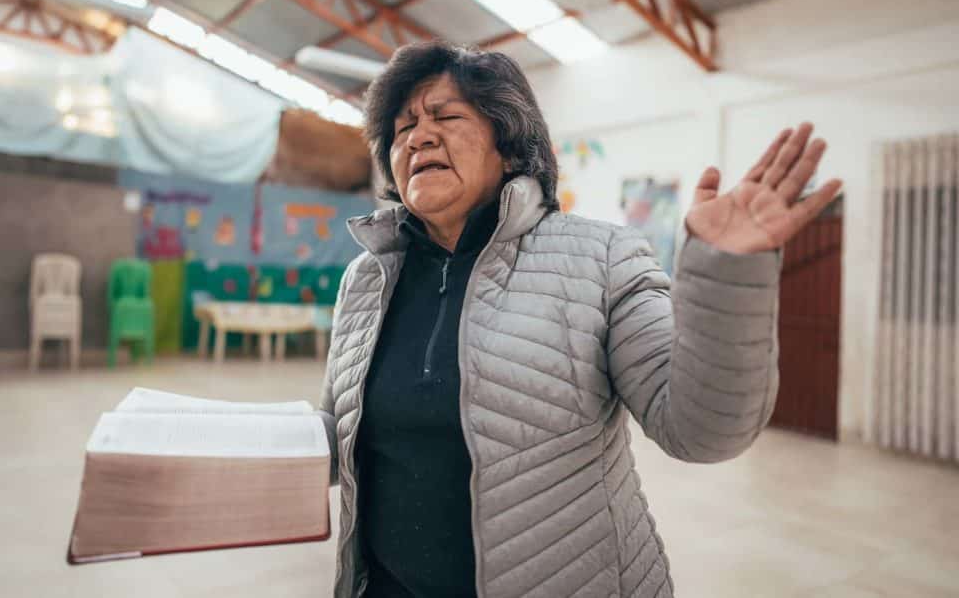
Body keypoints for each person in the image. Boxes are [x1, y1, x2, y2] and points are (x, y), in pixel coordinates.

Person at [316, 41, 841, 598]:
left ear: (513, 149)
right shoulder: (367, 278)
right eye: (402, 129)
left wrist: (725, 272)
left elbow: (699, 430)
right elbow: (341, 432)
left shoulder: (600, 258)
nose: (418, 136)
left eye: (446, 116)